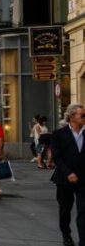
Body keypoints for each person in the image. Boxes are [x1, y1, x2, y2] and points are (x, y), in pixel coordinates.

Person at [52, 103, 85, 246]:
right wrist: (68, 173)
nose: (84, 117)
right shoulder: (59, 134)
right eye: (82, 115)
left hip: (83, 178)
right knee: (65, 209)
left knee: (84, 210)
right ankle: (66, 234)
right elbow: (57, 157)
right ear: (72, 116)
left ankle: (83, 240)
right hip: (64, 178)